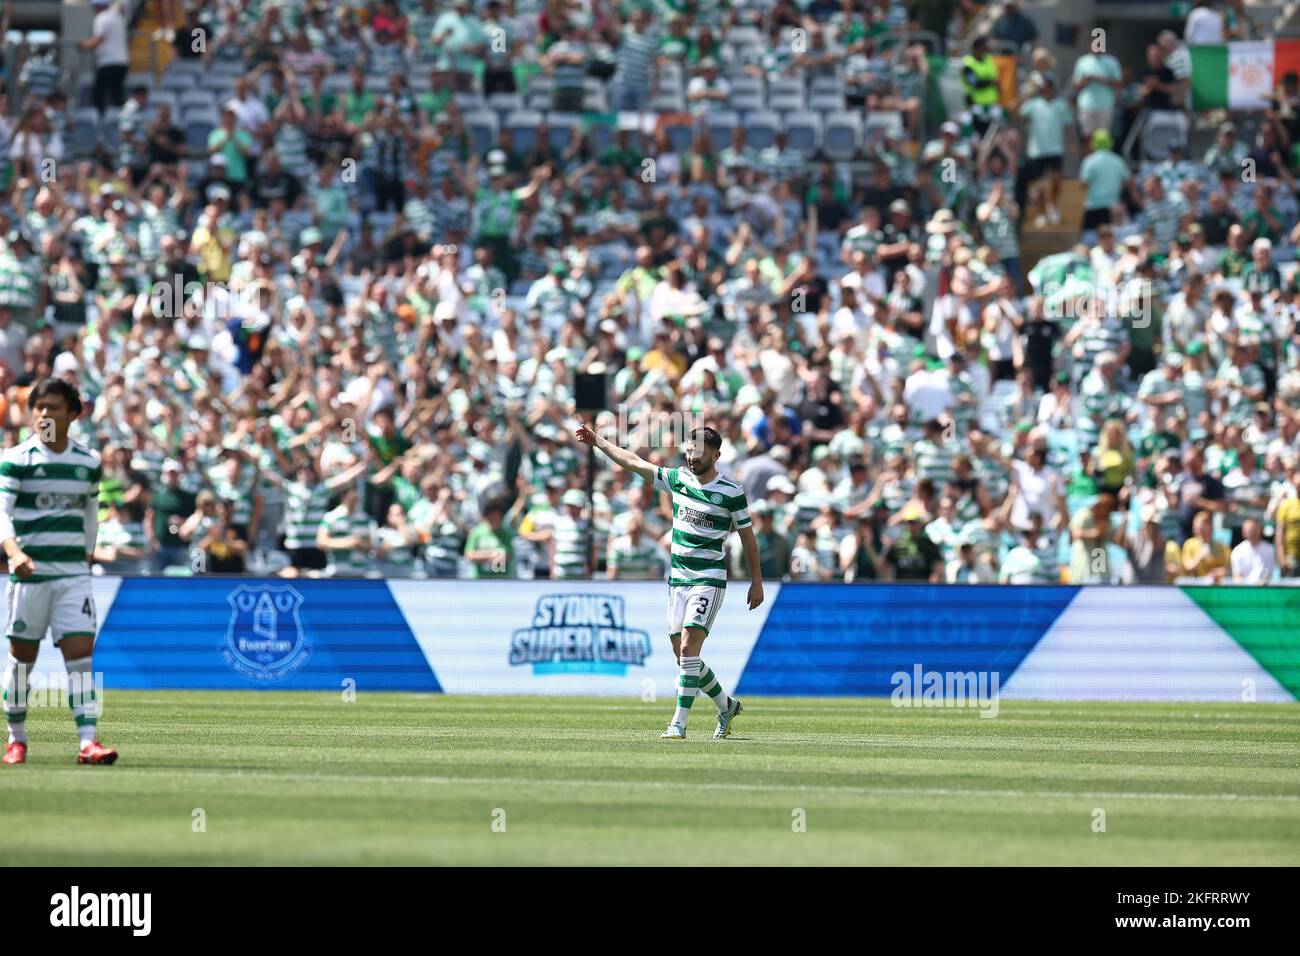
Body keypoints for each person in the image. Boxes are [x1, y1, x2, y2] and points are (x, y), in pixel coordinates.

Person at [574, 421, 761, 741]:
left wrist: (756, 581)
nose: (692, 458)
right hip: (677, 580)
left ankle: (679, 723)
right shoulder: (678, 480)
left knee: (689, 648)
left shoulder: (731, 492)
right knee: (684, 656)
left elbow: (748, 537)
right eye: (689, 452)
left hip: (708, 578)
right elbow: (633, 461)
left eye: (698, 453)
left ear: (716, 455)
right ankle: (726, 705)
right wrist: (598, 442)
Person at [0, 378, 117, 765]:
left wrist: (86, 556)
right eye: (39, 407)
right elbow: (2, 513)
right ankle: (16, 738)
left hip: (72, 578)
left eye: (53, 407)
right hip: (30, 577)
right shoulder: (16, 459)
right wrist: (13, 551)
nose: (45, 414)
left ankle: (88, 742)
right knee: (22, 661)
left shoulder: (88, 464)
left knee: (81, 657)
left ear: (73, 414)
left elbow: (89, 514)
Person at [79, 0, 129, 116]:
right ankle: (119, 120)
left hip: (108, 62)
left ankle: (101, 122)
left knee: (98, 94)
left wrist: (83, 45)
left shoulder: (101, 18)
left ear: (97, 6)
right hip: (122, 62)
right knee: (117, 95)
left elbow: (98, 39)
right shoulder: (118, 17)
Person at [1230, 519, 1274, 583]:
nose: (1252, 533)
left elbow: (1267, 575)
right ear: (1243, 532)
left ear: (1260, 530)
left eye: (1254, 530)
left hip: (1262, 590)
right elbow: (1237, 576)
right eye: (1249, 531)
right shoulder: (1237, 551)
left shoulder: (1269, 550)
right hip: (1244, 590)